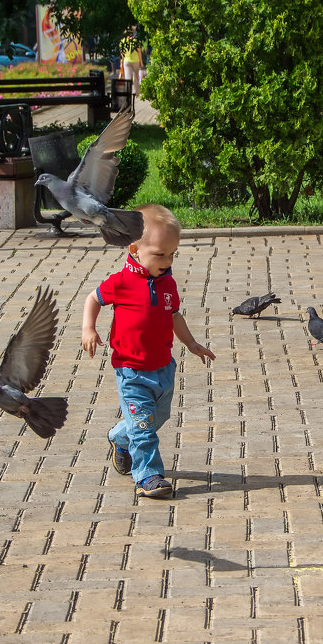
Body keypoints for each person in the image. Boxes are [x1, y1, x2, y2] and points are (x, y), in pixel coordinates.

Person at [81, 204, 216, 498]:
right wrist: (88, 328)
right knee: (144, 429)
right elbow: (93, 298)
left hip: (163, 367)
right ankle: (148, 477)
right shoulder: (121, 282)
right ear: (134, 249)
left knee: (156, 418)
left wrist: (191, 343)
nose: (167, 261)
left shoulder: (167, 283)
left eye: (171, 254)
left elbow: (173, 316)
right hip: (131, 371)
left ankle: (119, 436)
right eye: (159, 254)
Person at [121, 31, 144, 98]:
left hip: (126, 61)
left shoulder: (123, 41)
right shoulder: (136, 41)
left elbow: (122, 53)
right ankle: (137, 93)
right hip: (135, 61)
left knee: (128, 78)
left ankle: (128, 93)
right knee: (136, 77)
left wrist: (121, 63)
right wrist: (141, 62)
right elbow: (139, 52)